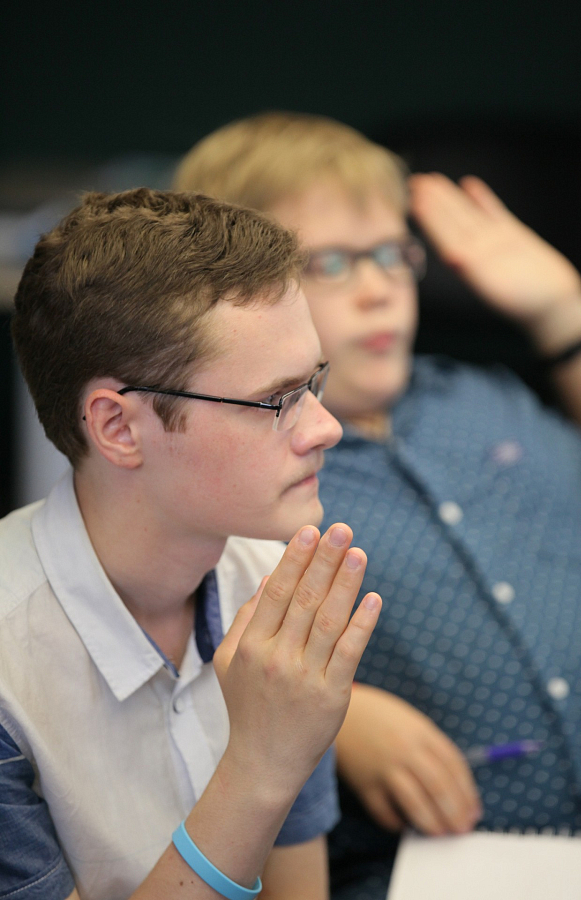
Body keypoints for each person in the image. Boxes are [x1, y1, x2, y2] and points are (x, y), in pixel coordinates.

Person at [174, 112, 581, 898]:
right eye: (332, 262)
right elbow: (176, 639)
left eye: (393, 253)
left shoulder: (487, 397)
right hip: (419, 870)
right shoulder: (240, 466)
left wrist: (566, 317)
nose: (380, 290)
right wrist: (341, 718)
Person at [0, 187, 383, 900]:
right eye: (278, 400)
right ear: (118, 428)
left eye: (315, 383)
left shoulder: (277, 585)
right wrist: (260, 768)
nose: (326, 428)